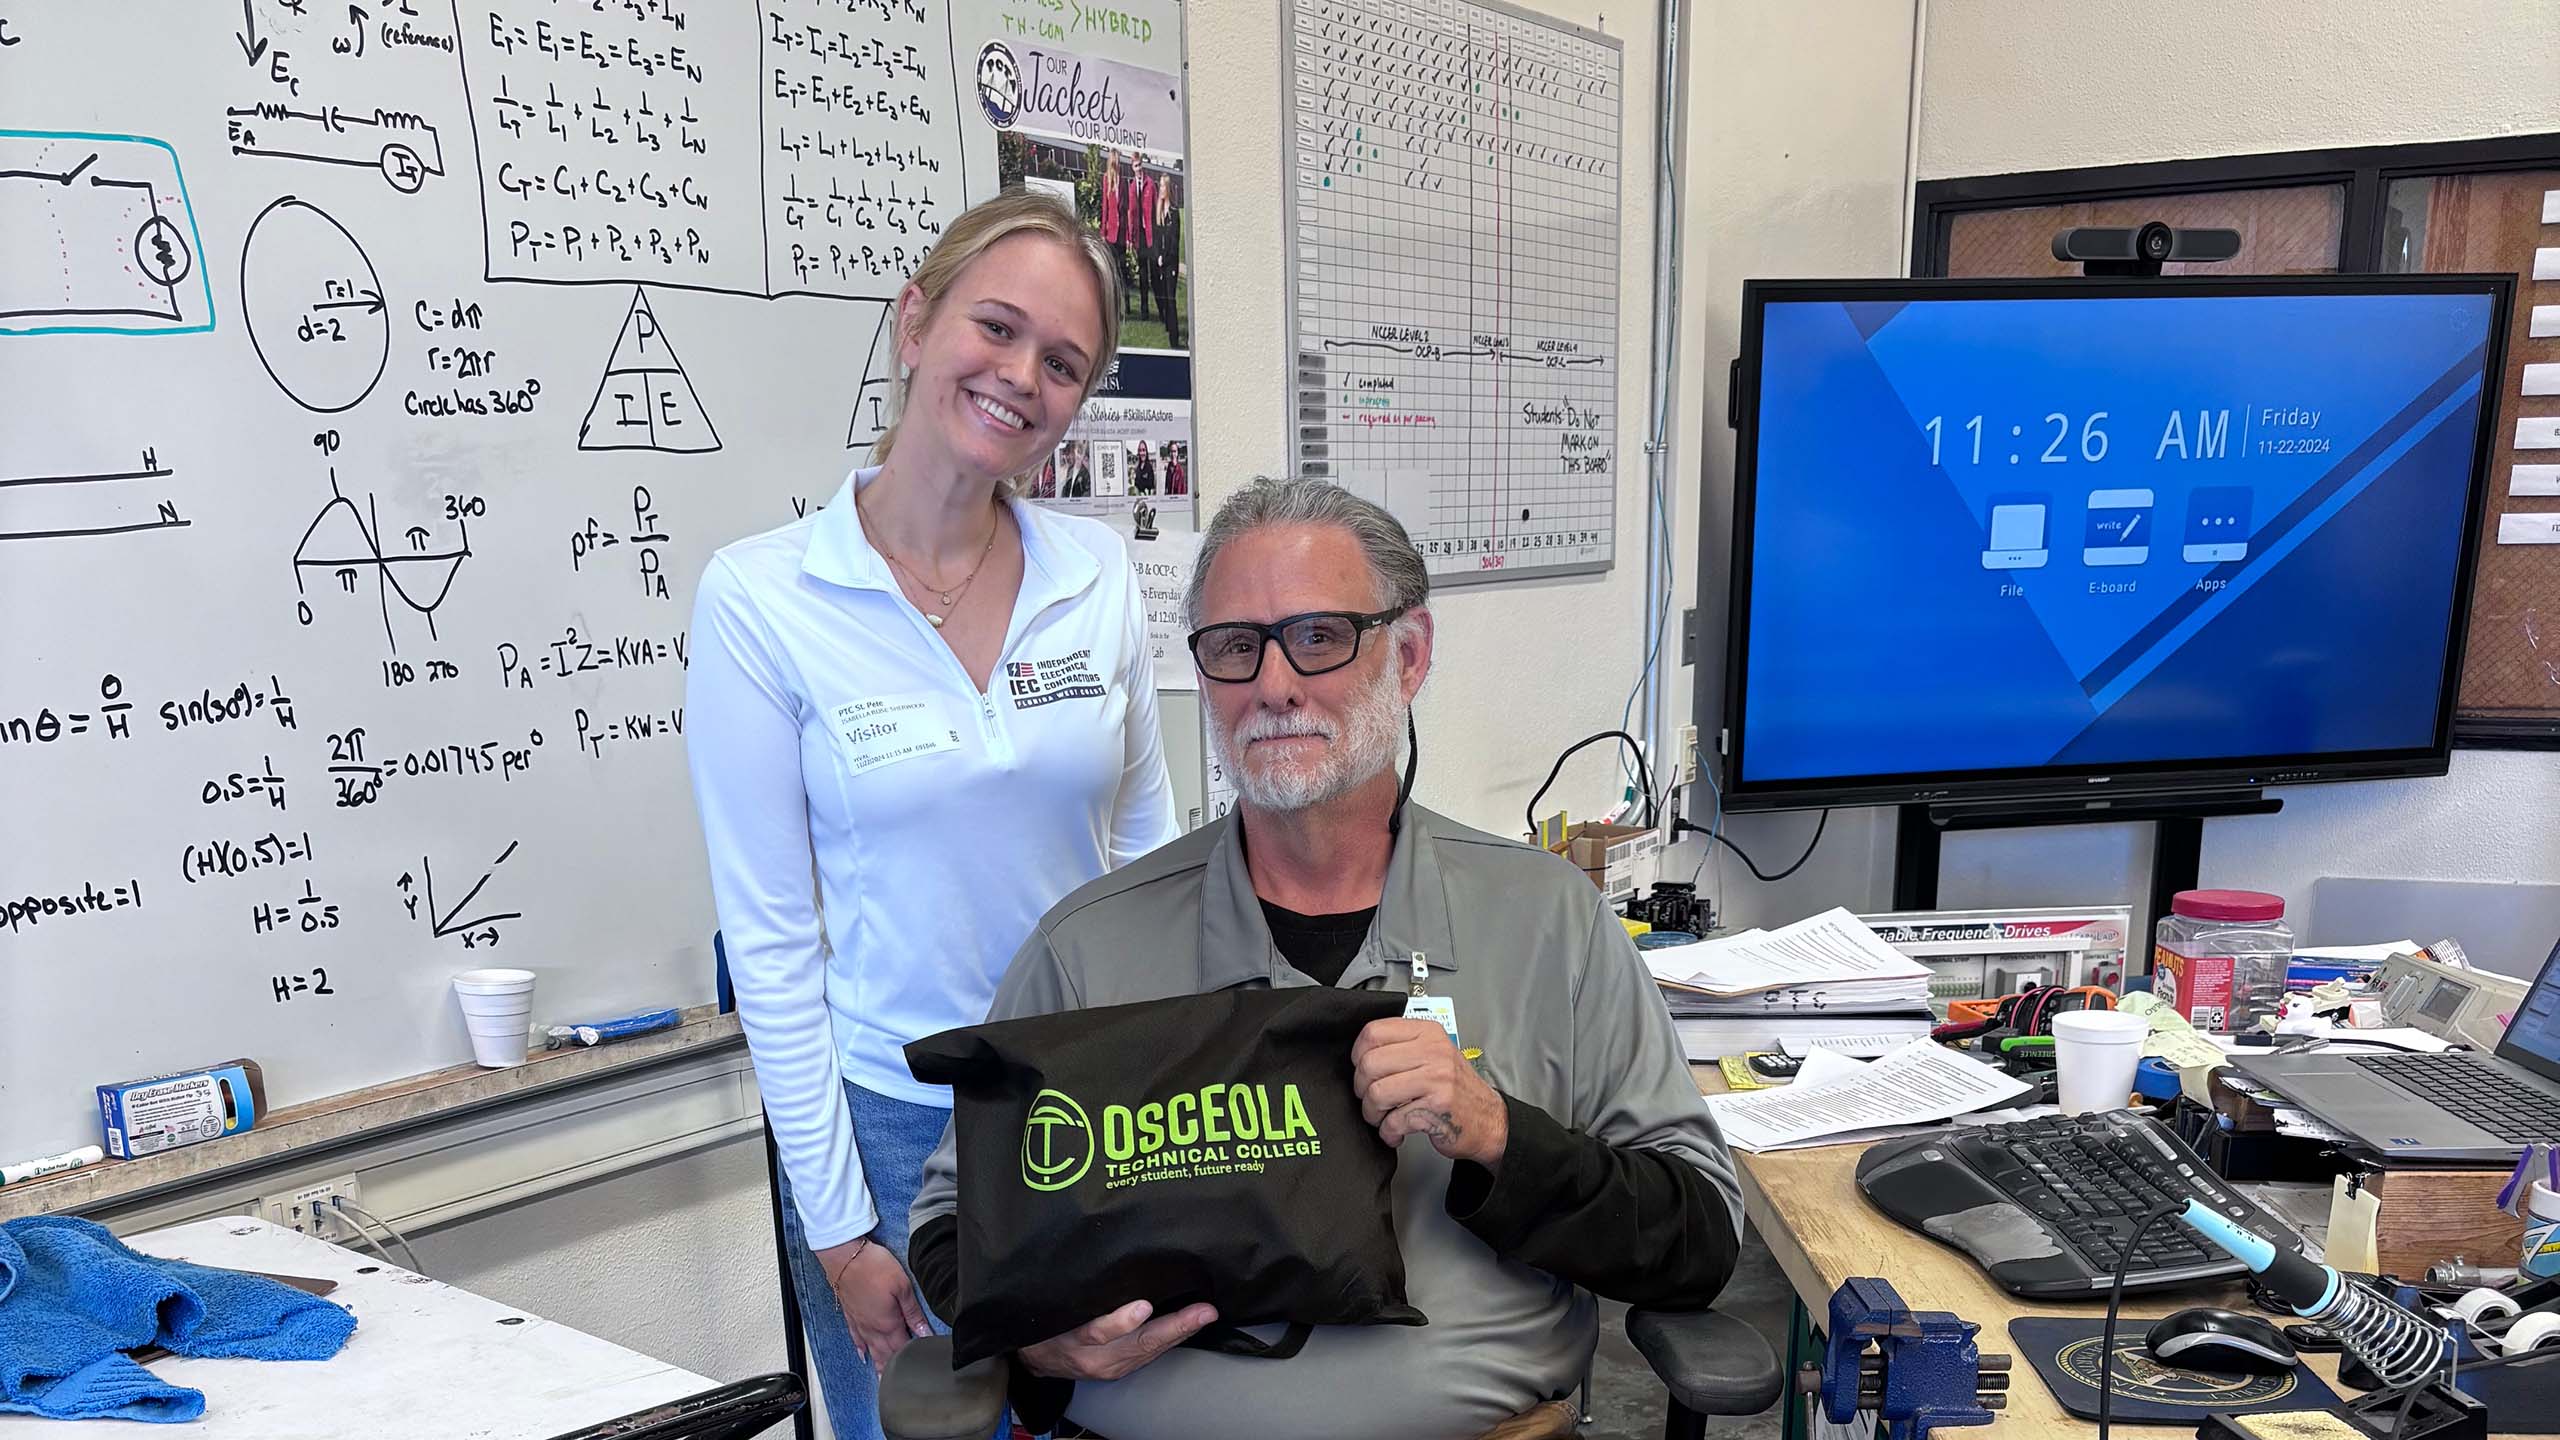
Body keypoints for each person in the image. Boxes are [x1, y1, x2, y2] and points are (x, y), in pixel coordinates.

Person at [910, 478, 1741, 1440]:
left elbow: (1698, 1240)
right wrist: (1038, 1343)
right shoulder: (1090, 949)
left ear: (1411, 653)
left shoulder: (1550, 924)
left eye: (1318, 636)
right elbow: (951, 1227)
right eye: (1235, 647)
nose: (1273, 684)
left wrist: (1496, 1134)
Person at [686, 191, 1179, 1440]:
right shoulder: (764, 599)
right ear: (916, 321)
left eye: (1062, 362)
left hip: (1083, 1108)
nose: (1022, 377)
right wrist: (840, 1227)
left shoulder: (1097, 574)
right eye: (996, 328)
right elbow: (773, 942)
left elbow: (1149, 862)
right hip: (888, 1122)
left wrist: (1164, 1112)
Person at [1150, 176, 1182, 348]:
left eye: (1163, 186)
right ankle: (1168, 325)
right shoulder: (1158, 211)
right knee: (1161, 294)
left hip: (1170, 263)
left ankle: (1174, 339)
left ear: (1168, 188)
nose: (1161, 189)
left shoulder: (1174, 213)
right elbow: (1157, 238)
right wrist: (1157, 256)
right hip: (1160, 260)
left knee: (1171, 299)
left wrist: (1166, 258)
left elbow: (1174, 242)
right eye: (1160, 186)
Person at [1096, 151, 1126, 309]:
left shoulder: (1123, 181)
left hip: (1121, 233)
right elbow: (1105, 208)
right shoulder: (1106, 179)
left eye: (1119, 160)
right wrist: (1103, 232)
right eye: (1116, 160)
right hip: (1110, 233)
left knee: (1121, 268)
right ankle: (1111, 302)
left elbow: (1126, 208)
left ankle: (1122, 304)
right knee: (1111, 268)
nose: (1118, 163)